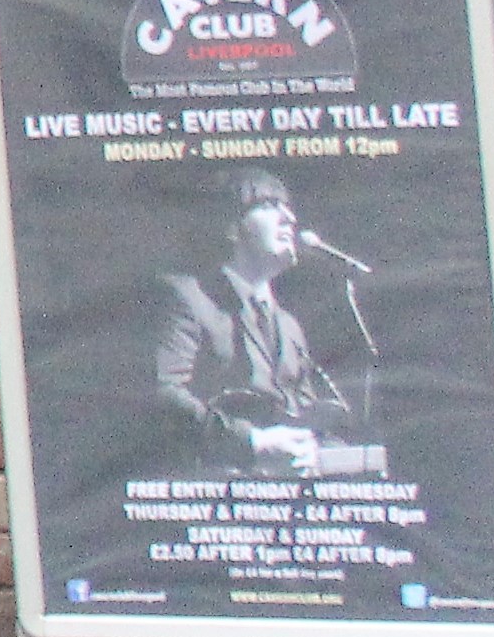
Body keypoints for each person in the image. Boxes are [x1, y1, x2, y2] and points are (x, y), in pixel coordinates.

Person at [151, 168, 359, 474]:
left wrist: (315, 450)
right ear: (233, 228)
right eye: (269, 205)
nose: (289, 217)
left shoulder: (288, 326)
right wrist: (252, 443)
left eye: (287, 207)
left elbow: (304, 416)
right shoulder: (188, 297)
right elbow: (164, 395)